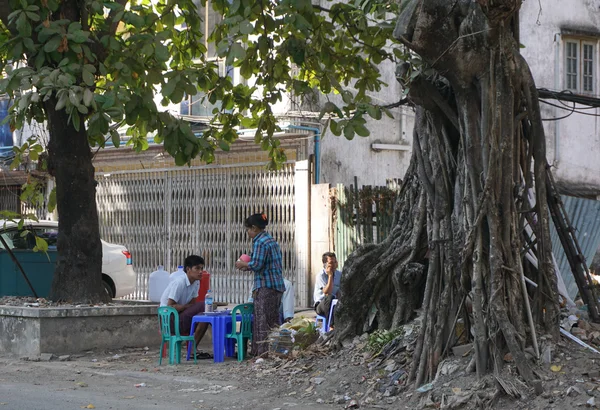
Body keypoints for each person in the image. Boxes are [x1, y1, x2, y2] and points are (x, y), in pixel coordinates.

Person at [235, 213, 285, 356]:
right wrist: (247, 266)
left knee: (262, 321)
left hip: (266, 286)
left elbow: (256, 264)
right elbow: (263, 264)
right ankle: (274, 351)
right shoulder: (270, 240)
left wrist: (242, 263)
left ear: (254, 228)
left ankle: (263, 353)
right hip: (275, 286)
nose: (248, 232)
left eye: (248, 229)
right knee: (272, 320)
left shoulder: (260, 242)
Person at [160, 255, 212, 359]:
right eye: (197, 268)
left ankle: (193, 349)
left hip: (181, 316)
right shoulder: (180, 283)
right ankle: (191, 349)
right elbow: (170, 306)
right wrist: (187, 307)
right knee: (203, 305)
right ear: (188, 269)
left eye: (202, 268)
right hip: (170, 320)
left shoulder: (196, 282)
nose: (200, 271)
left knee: (205, 316)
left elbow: (192, 304)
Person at [313, 252, 341, 328]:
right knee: (329, 297)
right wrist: (330, 276)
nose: (334, 264)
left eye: (335, 262)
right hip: (321, 305)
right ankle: (332, 326)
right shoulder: (320, 276)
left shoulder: (339, 274)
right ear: (325, 265)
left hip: (334, 303)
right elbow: (327, 292)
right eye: (331, 263)